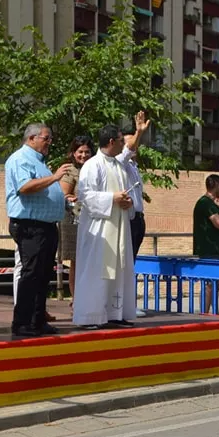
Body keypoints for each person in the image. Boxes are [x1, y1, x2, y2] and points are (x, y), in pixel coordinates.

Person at [5, 123, 73, 337]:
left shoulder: (40, 162)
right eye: (46, 138)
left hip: (46, 226)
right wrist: (54, 177)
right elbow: (24, 187)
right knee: (31, 273)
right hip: (30, 226)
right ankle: (22, 323)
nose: (49, 142)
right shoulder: (20, 159)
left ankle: (37, 319)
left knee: (43, 274)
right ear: (31, 138)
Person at [72, 124, 136, 329]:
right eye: (120, 140)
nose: (123, 144)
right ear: (111, 142)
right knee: (96, 269)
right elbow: (85, 196)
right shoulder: (93, 165)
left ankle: (114, 314)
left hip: (119, 225)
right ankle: (90, 316)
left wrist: (127, 202)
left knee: (119, 268)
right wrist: (113, 198)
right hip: (98, 229)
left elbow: (125, 193)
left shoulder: (118, 165)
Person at [118, 111, 151, 316]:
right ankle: (124, 303)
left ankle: (128, 302)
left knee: (132, 262)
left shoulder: (134, 166)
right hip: (128, 219)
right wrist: (138, 132)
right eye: (132, 144)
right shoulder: (119, 163)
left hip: (138, 218)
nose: (135, 147)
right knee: (125, 262)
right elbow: (127, 151)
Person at [59, 135, 94, 307]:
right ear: (73, 153)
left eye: (87, 152)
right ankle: (76, 299)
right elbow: (64, 194)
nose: (84, 155)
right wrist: (74, 198)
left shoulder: (95, 167)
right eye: (80, 152)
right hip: (74, 220)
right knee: (76, 261)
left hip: (92, 220)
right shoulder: (70, 170)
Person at [192, 174, 219, 313]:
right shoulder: (206, 203)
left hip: (215, 250)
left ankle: (212, 313)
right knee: (209, 284)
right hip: (209, 251)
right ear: (215, 185)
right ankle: (205, 314)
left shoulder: (210, 204)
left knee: (215, 284)